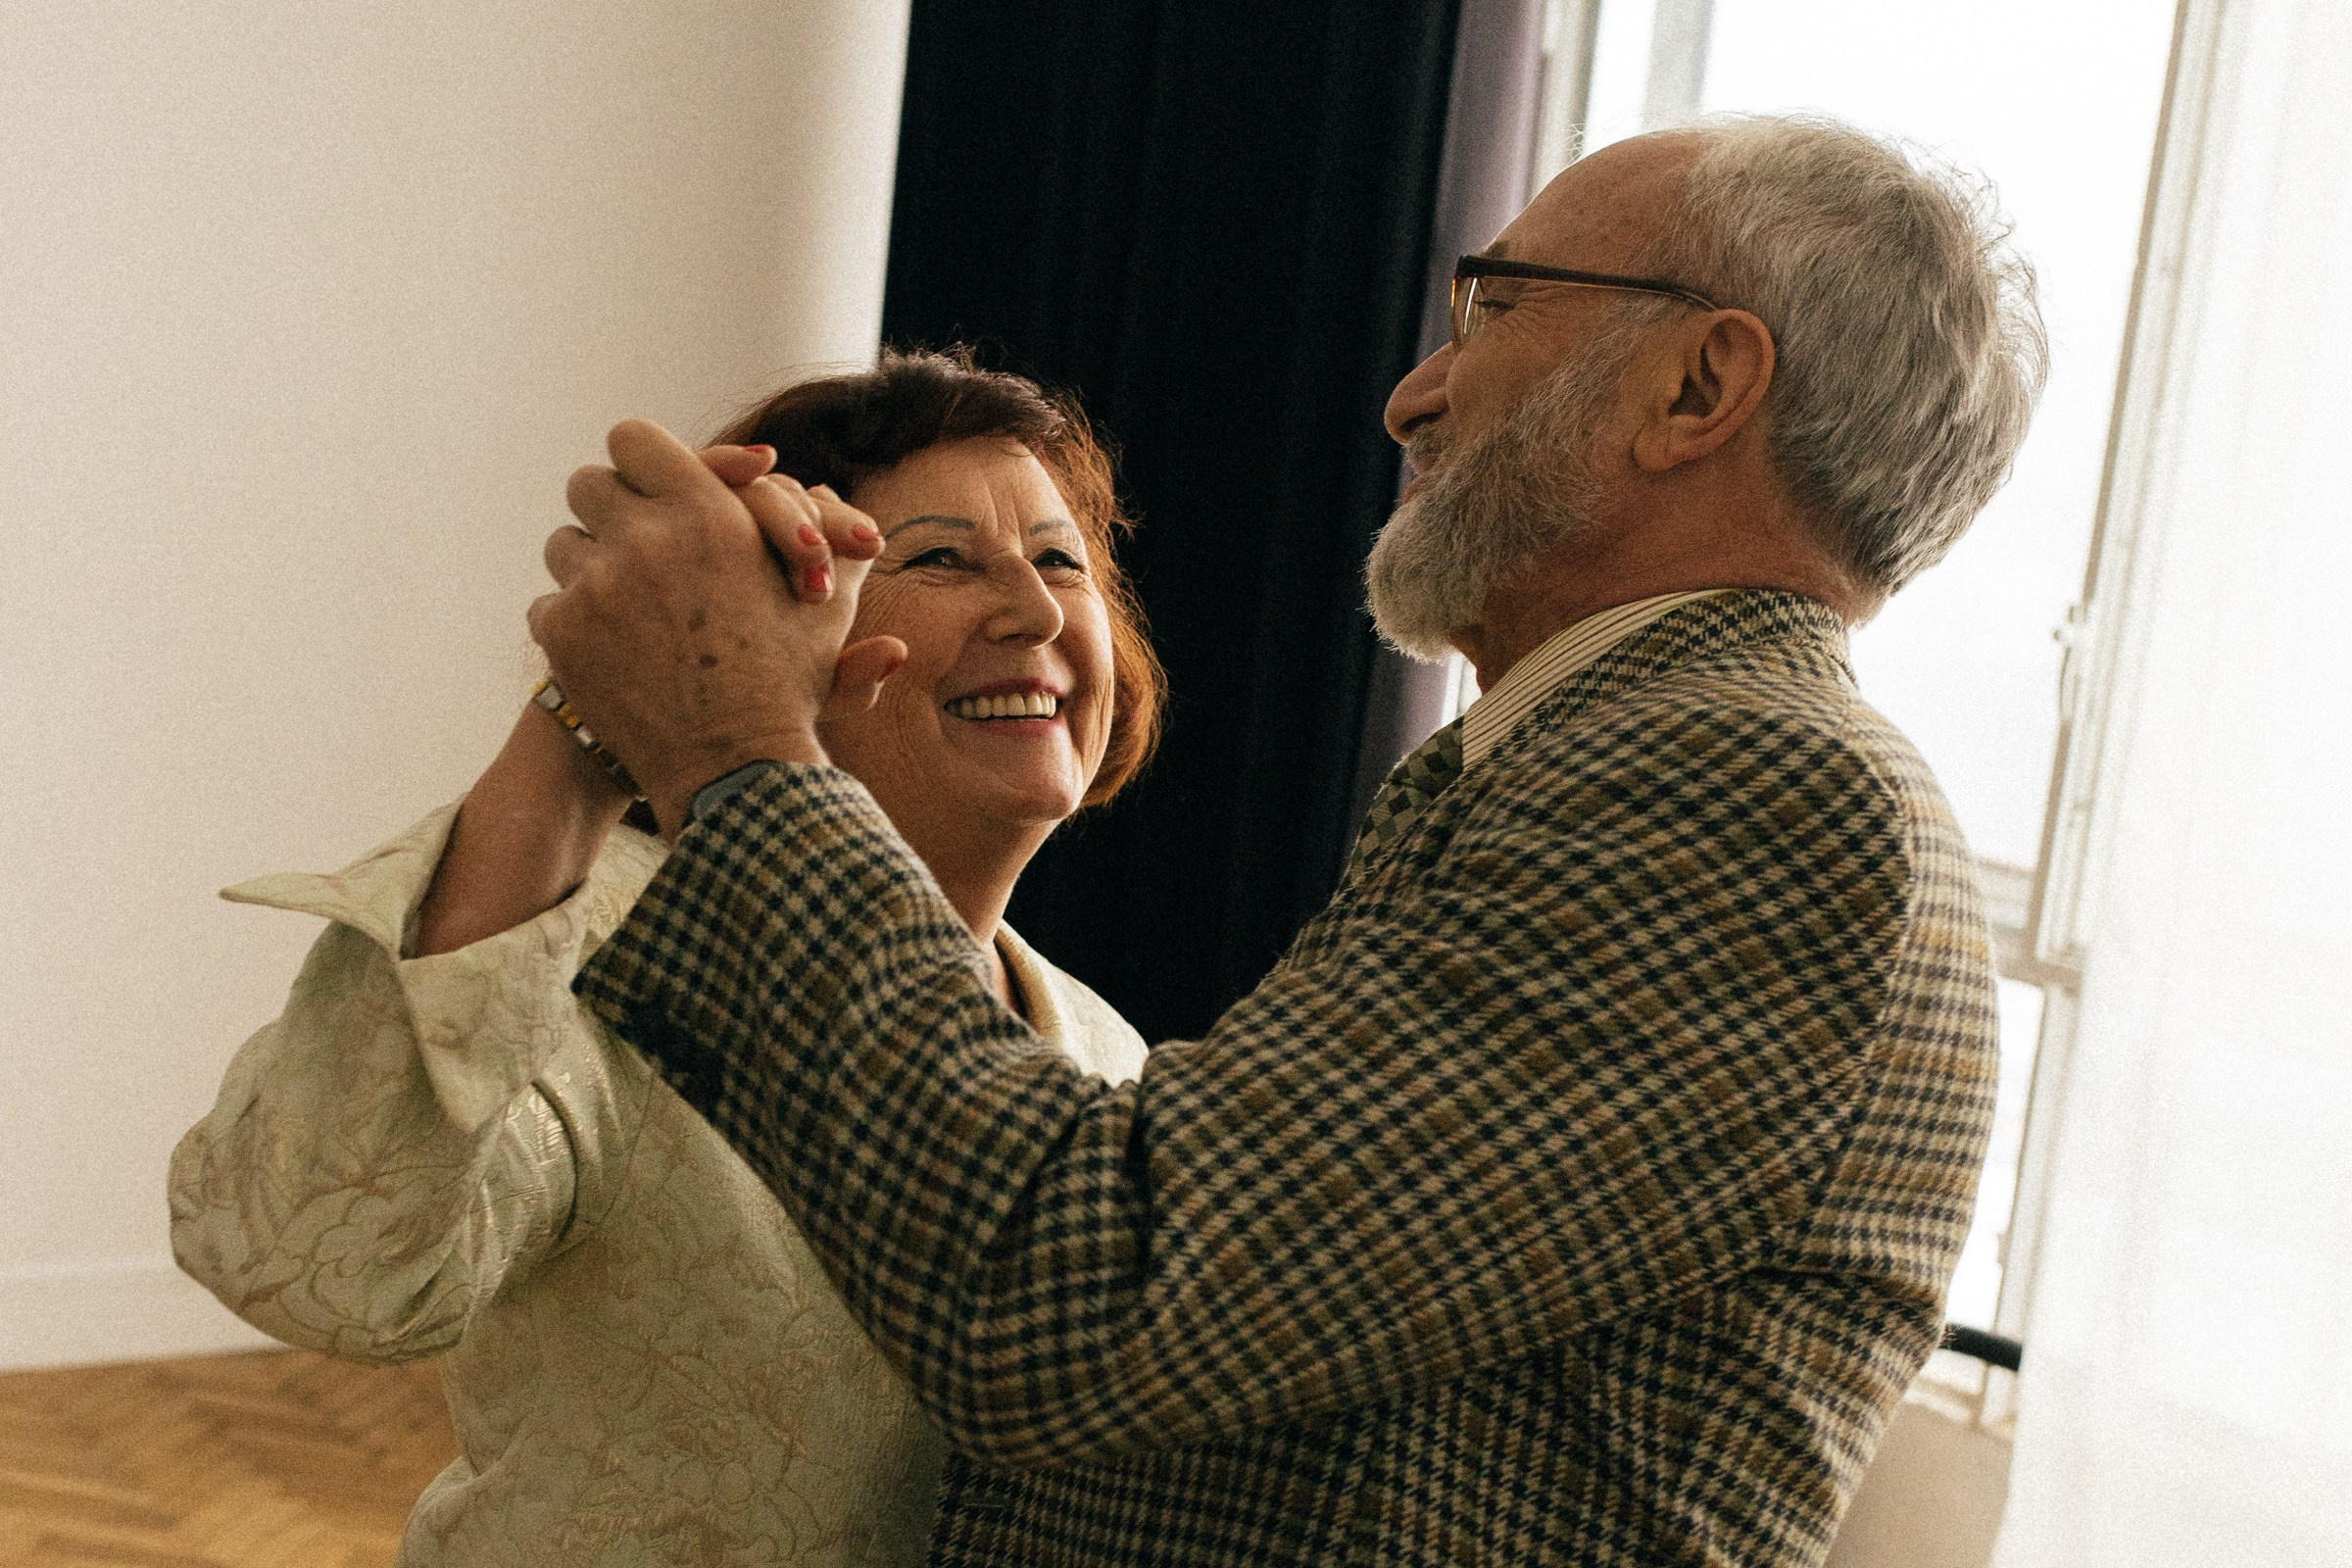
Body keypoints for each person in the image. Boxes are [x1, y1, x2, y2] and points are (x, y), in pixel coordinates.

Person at [528, 115, 2046, 1566]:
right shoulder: (1608, 765)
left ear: (1698, 388)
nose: (1414, 392)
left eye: (1494, 307)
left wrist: (736, 741)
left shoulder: (1745, 792)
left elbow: (1076, 1297)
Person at [170, 351, 1167, 1567]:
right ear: (781, 632)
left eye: (1062, 558)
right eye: (945, 558)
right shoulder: (611, 946)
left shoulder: (1109, 1052)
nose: (1038, 609)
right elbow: (317, 1260)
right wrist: (599, 705)